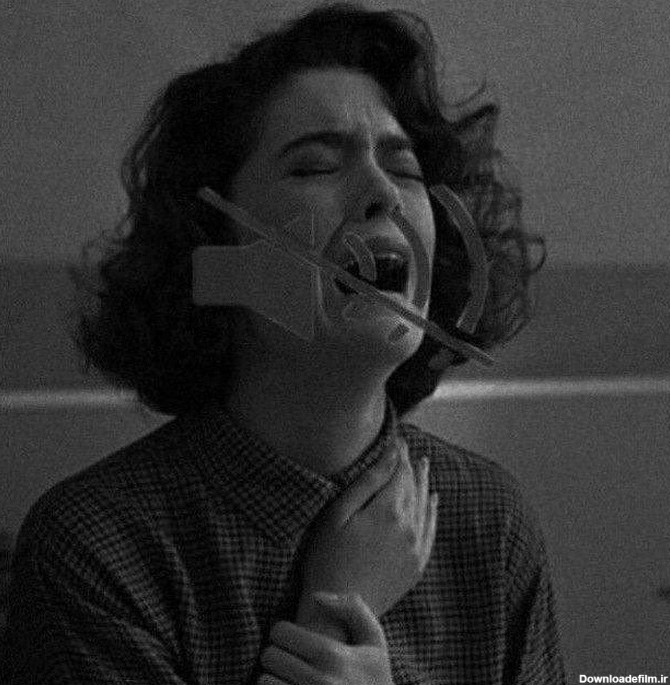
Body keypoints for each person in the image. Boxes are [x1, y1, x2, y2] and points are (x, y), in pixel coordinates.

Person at [2, 3, 564, 683]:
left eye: (406, 168)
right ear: (216, 252)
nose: (383, 193)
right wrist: (339, 606)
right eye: (315, 167)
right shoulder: (94, 549)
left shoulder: (491, 521)